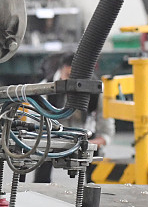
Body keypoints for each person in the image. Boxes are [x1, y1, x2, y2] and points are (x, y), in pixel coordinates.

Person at [33, 52, 110, 183]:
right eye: (68, 76)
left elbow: (106, 127)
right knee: (41, 160)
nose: (72, 84)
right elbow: (33, 123)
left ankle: (93, 191)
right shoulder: (45, 88)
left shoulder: (96, 91)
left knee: (95, 166)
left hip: (83, 136)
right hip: (52, 136)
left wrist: (96, 142)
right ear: (61, 71)